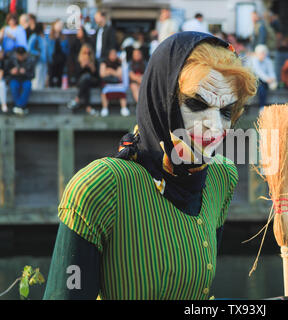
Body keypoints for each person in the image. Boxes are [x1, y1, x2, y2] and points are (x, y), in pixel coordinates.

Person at [43, 31, 257, 300]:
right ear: (161, 101)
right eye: (196, 104)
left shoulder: (220, 177)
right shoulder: (101, 186)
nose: (215, 126)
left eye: (226, 111)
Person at [67, 44, 100, 116]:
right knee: (85, 80)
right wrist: (82, 66)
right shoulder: (78, 61)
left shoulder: (95, 61)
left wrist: (92, 67)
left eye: (89, 53)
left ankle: (77, 99)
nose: (87, 55)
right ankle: (88, 108)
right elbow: (76, 75)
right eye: (85, 53)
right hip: (81, 81)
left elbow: (98, 76)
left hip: (92, 81)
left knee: (87, 78)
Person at [4, 46, 34, 115]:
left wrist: (25, 72)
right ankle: (21, 107)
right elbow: (5, 73)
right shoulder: (11, 60)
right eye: (19, 55)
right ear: (16, 54)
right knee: (14, 86)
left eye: (22, 55)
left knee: (27, 86)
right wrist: (11, 72)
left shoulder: (30, 60)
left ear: (25, 54)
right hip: (15, 79)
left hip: (25, 79)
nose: (20, 57)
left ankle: (18, 106)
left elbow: (32, 75)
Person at [99, 48, 129, 117]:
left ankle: (124, 108)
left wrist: (110, 71)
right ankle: (105, 108)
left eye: (115, 54)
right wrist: (114, 72)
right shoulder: (104, 62)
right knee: (104, 92)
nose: (113, 56)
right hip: (106, 83)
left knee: (122, 92)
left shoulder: (118, 63)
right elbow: (102, 74)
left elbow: (119, 75)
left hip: (116, 83)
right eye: (112, 54)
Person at [250, 44, 276, 112]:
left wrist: (272, 78)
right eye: (261, 53)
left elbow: (271, 72)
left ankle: (263, 107)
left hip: (264, 82)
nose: (263, 54)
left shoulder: (268, 61)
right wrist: (268, 79)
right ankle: (262, 107)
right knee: (261, 88)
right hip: (253, 81)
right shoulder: (254, 60)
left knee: (263, 87)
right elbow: (258, 72)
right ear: (257, 53)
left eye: (264, 53)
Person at [47, 19, 69, 88]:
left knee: (60, 74)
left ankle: (59, 87)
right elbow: (48, 48)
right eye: (58, 25)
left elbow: (67, 48)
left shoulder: (64, 37)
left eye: (61, 25)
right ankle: (51, 87)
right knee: (51, 74)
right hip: (52, 58)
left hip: (61, 58)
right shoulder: (49, 37)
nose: (60, 26)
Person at [27, 22, 48, 89]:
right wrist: (37, 53)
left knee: (43, 76)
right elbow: (29, 48)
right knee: (37, 76)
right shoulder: (34, 36)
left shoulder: (45, 36)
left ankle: (41, 90)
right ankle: (36, 90)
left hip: (44, 60)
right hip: (37, 60)